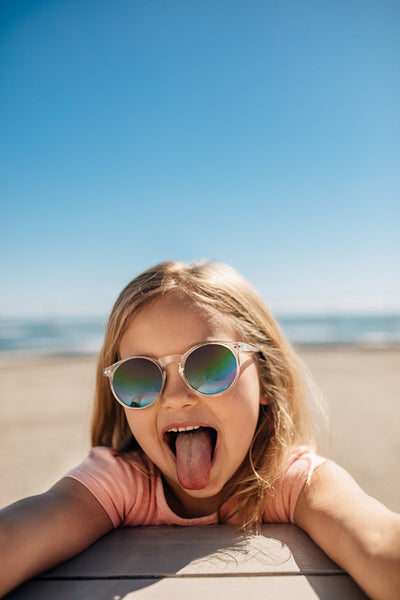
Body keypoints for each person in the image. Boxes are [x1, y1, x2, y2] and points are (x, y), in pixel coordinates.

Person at [0, 261, 399, 599]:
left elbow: (377, 543)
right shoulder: (120, 481)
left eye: (209, 364)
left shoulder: (295, 481)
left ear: (266, 378)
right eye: (140, 374)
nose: (175, 398)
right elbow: (19, 534)